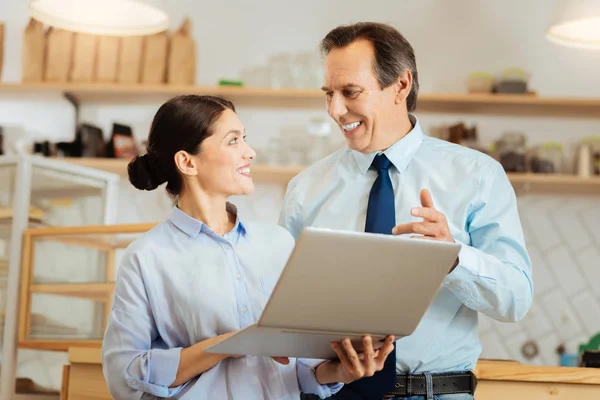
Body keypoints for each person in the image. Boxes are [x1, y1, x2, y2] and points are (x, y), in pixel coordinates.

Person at [280, 22, 533, 400]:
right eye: (328, 93)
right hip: (335, 392)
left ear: (401, 85)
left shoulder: (477, 175)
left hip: (436, 393)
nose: (335, 110)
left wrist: (453, 256)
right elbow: (284, 313)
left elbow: (516, 299)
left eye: (350, 92)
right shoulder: (305, 189)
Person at [101, 94, 395, 400]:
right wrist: (225, 346)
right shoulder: (145, 257)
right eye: (233, 141)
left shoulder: (278, 243)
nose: (250, 152)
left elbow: (298, 369)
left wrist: (341, 371)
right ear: (187, 162)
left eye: (245, 139)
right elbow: (124, 373)